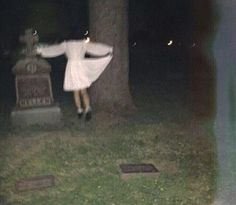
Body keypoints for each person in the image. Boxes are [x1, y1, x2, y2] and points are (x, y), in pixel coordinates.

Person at [36, 37, 113, 121]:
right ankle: (87, 108)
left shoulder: (66, 45)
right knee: (83, 91)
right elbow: (95, 48)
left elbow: (55, 50)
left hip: (72, 67)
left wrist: (41, 51)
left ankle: (80, 110)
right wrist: (108, 49)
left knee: (76, 91)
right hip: (80, 67)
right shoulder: (82, 44)